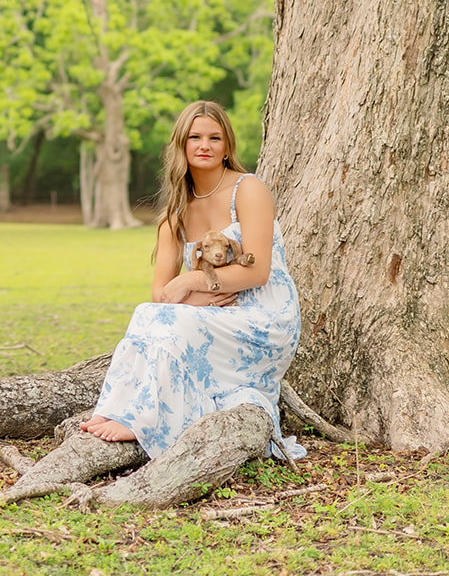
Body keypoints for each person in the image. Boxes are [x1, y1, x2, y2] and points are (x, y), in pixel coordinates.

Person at [79, 100, 306, 460]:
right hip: (211, 311)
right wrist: (195, 295)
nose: (205, 145)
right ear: (181, 144)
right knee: (145, 312)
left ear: (227, 146)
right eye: (195, 137)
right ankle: (116, 410)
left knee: (166, 318)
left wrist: (191, 283)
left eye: (215, 138)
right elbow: (159, 294)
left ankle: (141, 419)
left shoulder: (248, 190)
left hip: (266, 315)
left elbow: (258, 271)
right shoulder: (175, 213)